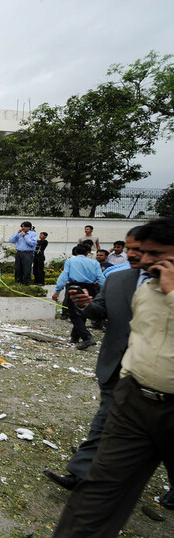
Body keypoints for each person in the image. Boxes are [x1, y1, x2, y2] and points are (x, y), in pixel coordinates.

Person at [54, 217, 174, 535]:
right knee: (100, 488)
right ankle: (80, 474)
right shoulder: (126, 281)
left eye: (152, 252)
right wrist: (87, 305)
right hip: (129, 389)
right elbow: (114, 320)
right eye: (138, 250)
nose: (141, 258)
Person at [52, 244, 105, 350]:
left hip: (75, 288)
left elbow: (64, 276)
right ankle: (75, 336)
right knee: (84, 312)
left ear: (75, 252)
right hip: (90, 288)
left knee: (73, 314)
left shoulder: (70, 261)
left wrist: (57, 291)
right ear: (87, 252)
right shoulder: (94, 263)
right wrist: (104, 292)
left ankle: (87, 337)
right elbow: (101, 278)